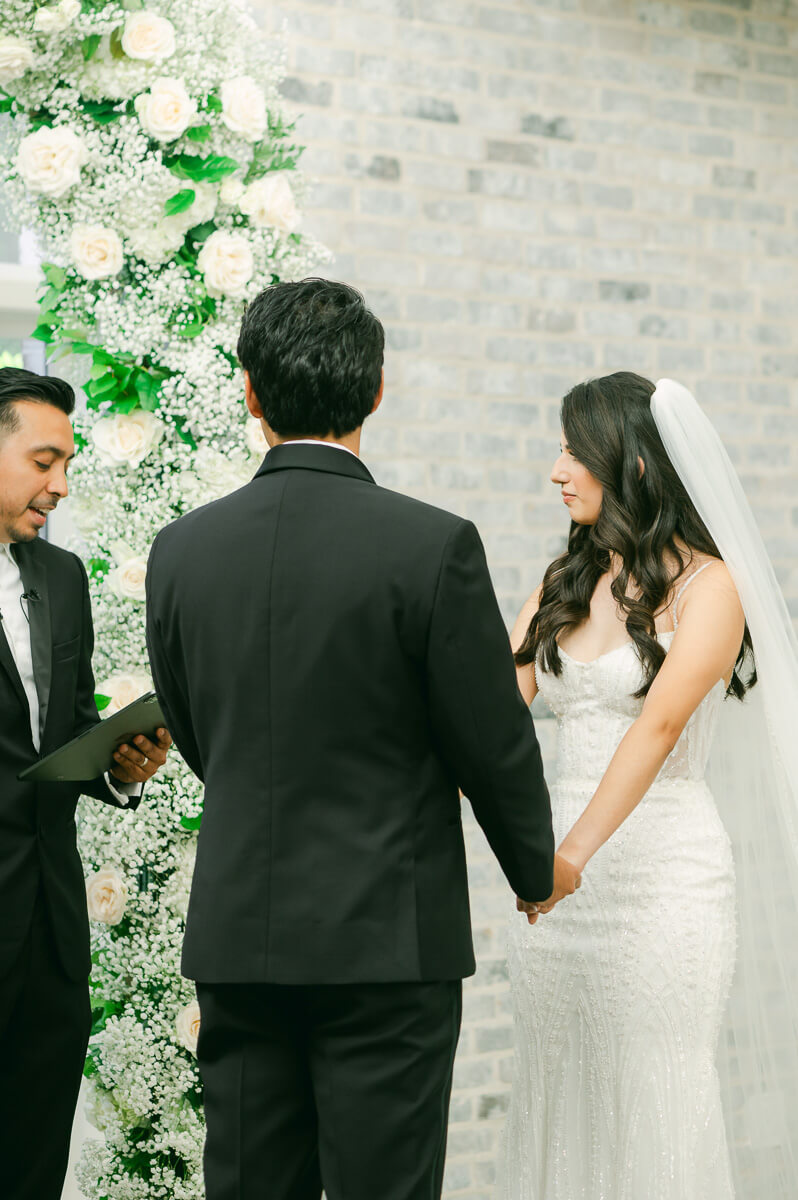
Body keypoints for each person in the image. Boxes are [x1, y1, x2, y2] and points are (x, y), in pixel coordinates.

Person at [144, 278, 556, 1200]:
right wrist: (536, 870)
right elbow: (491, 740)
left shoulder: (181, 550)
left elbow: (202, 731)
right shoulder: (432, 545)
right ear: (376, 389)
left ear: (249, 391)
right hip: (387, 943)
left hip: (240, 936)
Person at [498, 372, 798, 1199]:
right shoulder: (562, 583)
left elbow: (657, 729)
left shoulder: (712, 588)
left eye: (574, 450)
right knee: (556, 1081)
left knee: (655, 1083)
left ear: (631, 463)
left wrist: (571, 858)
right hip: (553, 893)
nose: (558, 469)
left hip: (660, 883)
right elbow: (486, 723)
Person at [0, 367, 172, 1200]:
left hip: (49, 930)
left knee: (33, 1153)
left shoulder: (61, 578)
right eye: (44, 461)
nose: (60, 485)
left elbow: (63, 728)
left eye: (67, 464)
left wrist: (118, 766)